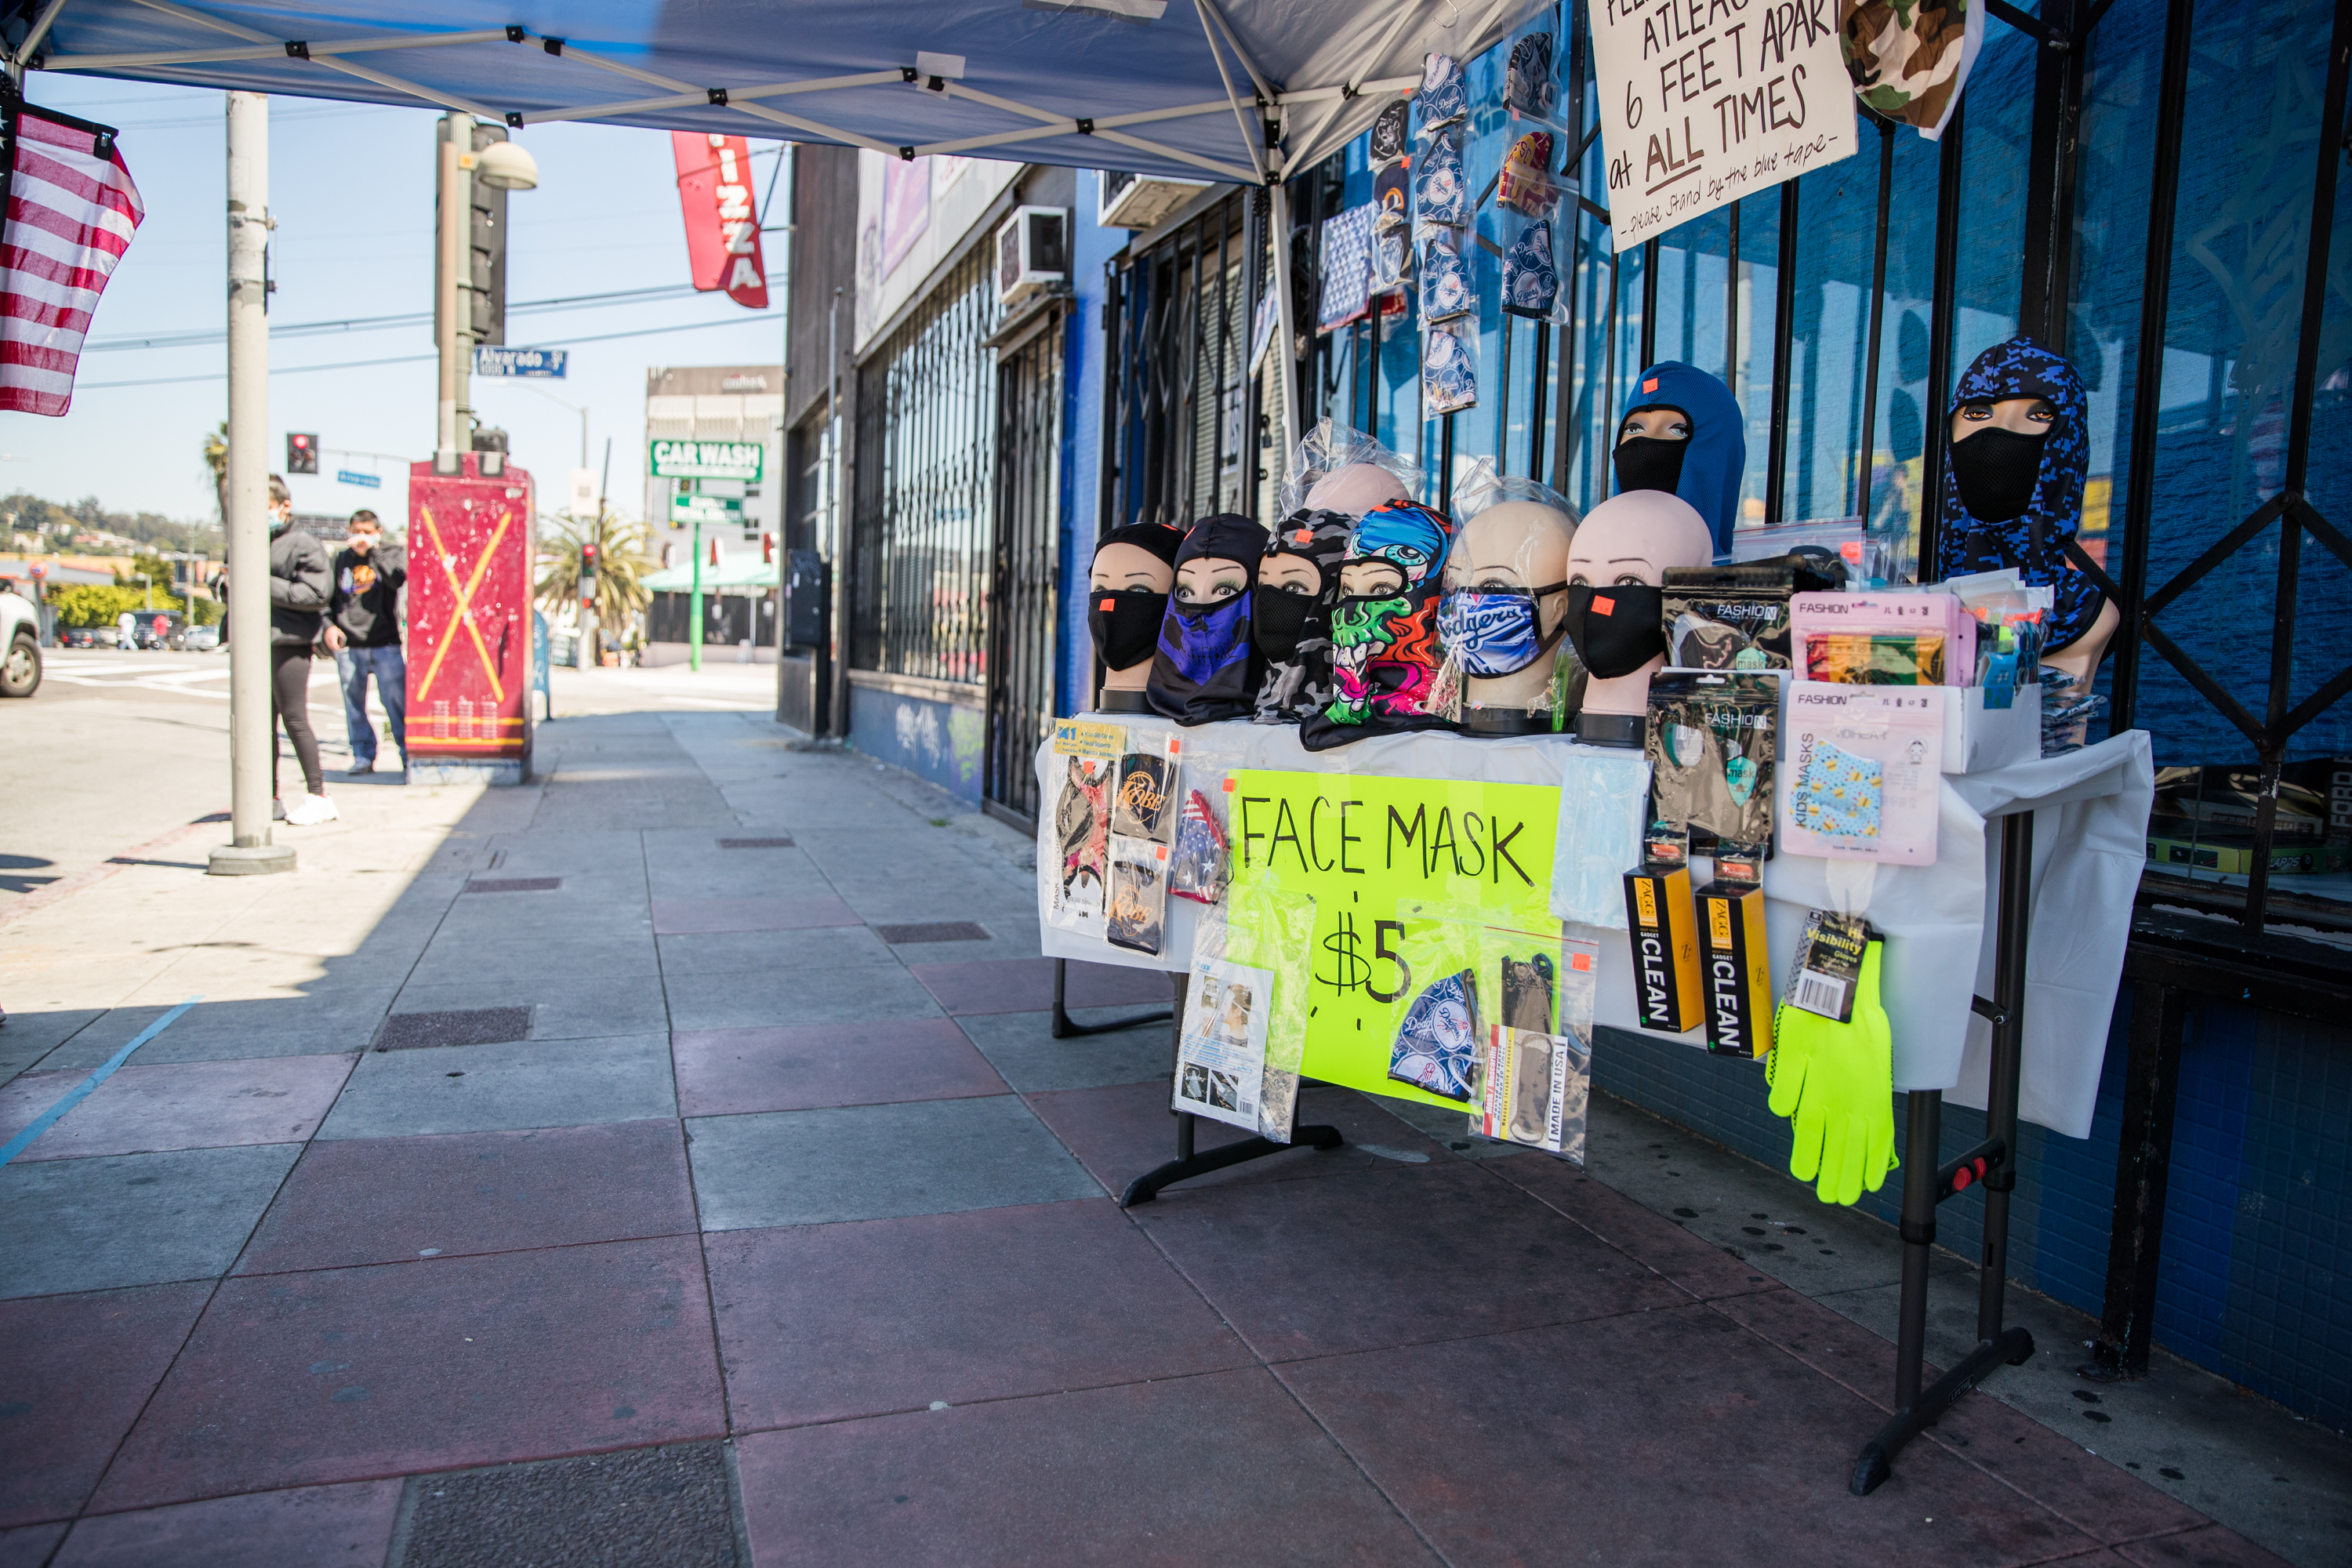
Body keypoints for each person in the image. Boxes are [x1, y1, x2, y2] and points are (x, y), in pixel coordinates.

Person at [266, 477, 336, 825]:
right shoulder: (249, 539)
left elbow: (317, 593)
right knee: (259, 726)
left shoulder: (303, 543)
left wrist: (257, 581)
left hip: (289, 641)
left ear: (283, 506)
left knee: (294, 719)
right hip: (254, 641)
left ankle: (318, 795)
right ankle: (268, 797)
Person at [324, 508, 407, 775]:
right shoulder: (340, 560)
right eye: (356, 532)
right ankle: (362, 755)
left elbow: (397, 579)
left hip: (385, 642)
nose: (360, 538)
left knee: (396, 703)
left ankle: (408, 754)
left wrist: (373, 552)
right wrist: (330, 626)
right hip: (350, 644)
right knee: (353, 705)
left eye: (367, 533)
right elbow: (327, 598)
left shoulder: (390, 553)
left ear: (378, 533)